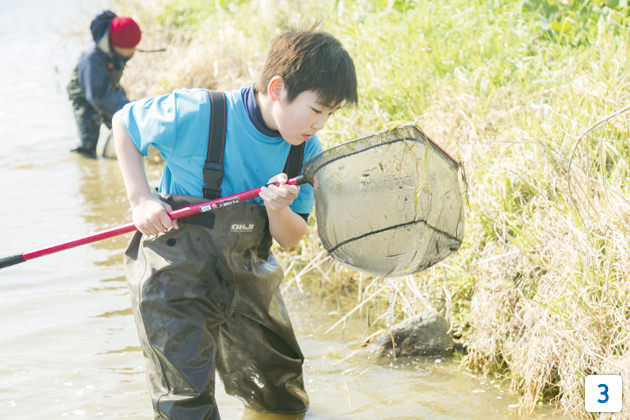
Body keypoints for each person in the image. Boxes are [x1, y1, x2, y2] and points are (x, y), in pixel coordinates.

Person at [112, 29, 358, 419]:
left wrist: (278, 209)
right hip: (174, 278)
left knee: (282, 396)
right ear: (277, 88)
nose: (322, 124)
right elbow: (124, 123)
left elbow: (292, 239)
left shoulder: (306, 152)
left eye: (331, 114)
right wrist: (141, 198)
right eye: (316, 110)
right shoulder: (198, 112)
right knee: (185, 405)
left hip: (247, 276)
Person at [67, 10, 141, 158]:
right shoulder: (91, 58)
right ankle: (86, 166)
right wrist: (126, 112)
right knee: (88, 140)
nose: (132, 52)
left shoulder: (116, 44)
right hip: (84, 95)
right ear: (116, 45)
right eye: (129, 49)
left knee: (122, 125)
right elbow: (97, 97)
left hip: (106, 86)